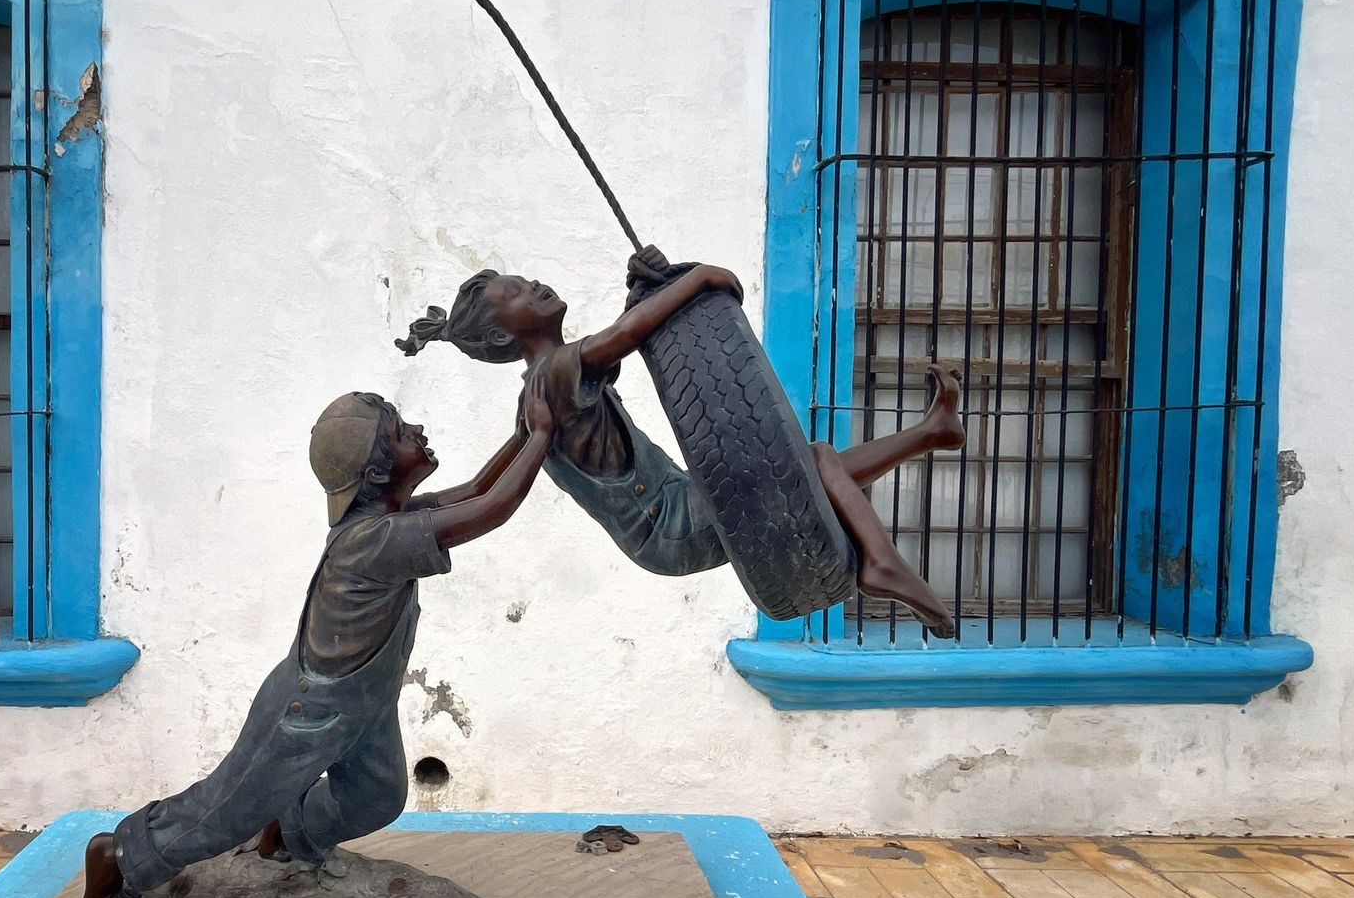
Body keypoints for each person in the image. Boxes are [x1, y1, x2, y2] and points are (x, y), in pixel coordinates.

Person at [83, 381, 556, 898]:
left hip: (362, 702)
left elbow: (473, 491)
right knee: (223, 811)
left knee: (376, 797)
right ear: (377, 473)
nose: (418, 432)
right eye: (402, 432)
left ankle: (286, 832)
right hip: (308, 712)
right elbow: (491, 508)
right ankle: (120, 854)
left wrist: (524, 434)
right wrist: (541, 433)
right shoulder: (375, 540)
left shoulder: (387, 522)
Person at [397, 244, 966, 636]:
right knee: (811, 460)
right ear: (503, 333)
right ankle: (881, 563)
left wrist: (408, 507)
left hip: (667, 521)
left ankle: (930, 433)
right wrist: (701, 279)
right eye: (519, 293)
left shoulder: (541, 394)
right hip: (667, 521)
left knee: (813, 468)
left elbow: (481, 482)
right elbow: (628, 334)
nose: (537, 286)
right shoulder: (554, 375)